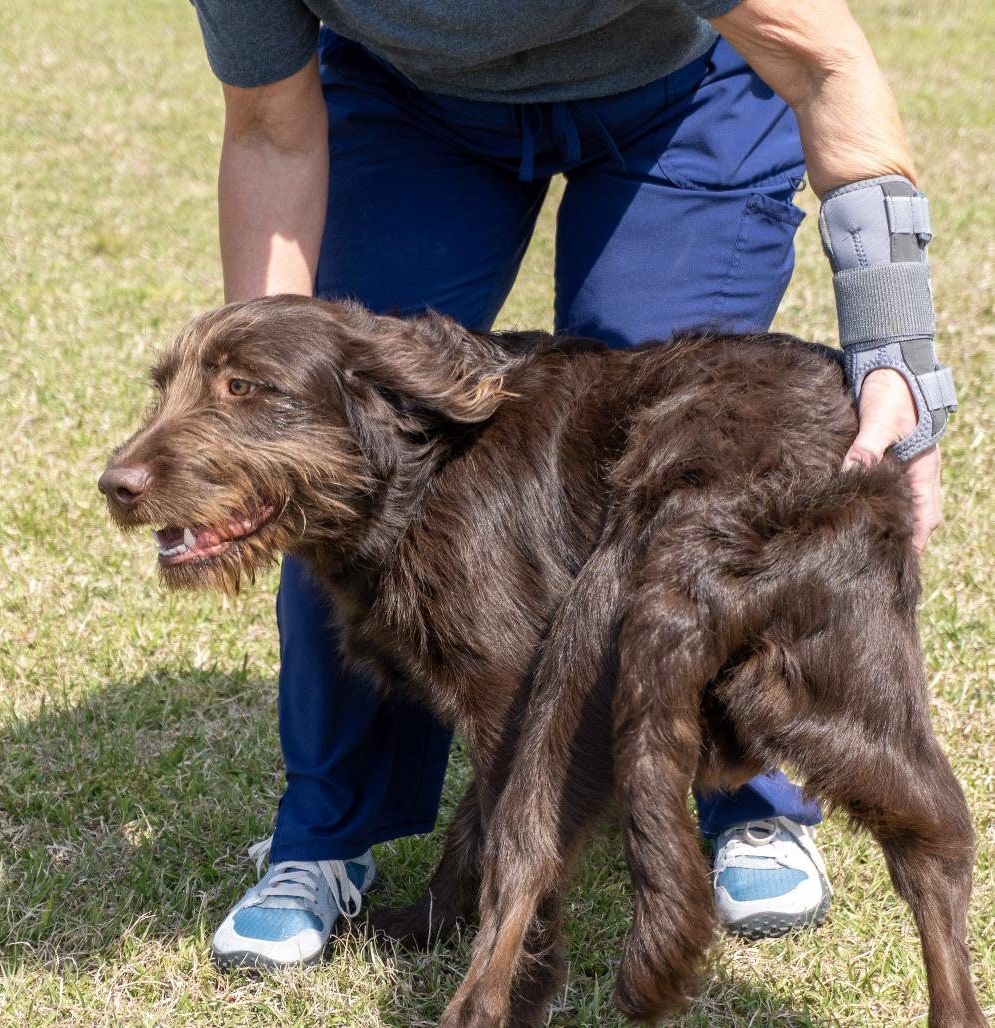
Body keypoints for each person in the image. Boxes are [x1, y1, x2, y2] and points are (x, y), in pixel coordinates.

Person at [187, 0, 955, 968]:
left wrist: (899, 357)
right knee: (339, 454)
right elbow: (268, 128)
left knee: (663, 437)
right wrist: (262, 408)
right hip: (413, 102)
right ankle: (328, 834)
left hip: (676, 97)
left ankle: (744, 796)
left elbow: (825, 64)